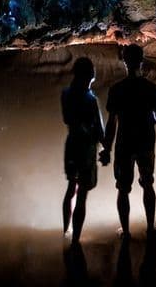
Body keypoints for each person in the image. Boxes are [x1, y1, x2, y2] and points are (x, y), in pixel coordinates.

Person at [102, 44, 156, 238]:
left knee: (123, 188)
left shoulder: (117, 90)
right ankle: (150, 228)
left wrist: (106, 148)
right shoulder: (153, 89)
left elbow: (111, 122)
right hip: (146, 141)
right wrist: (149, 116)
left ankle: (126, 231)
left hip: (124, 143)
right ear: (142, 61)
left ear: (124, 62)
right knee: (148, 183)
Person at [61, 57, 107, 244]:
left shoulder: (65, 94)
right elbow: (100, 131)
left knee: (71, 187)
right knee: (82, 195)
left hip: (71, 144)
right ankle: (76, 240)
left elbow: (67, 120)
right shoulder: (91, 100)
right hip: (86, 148)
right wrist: (106, 149)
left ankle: (66, 230)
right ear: (89, 75)